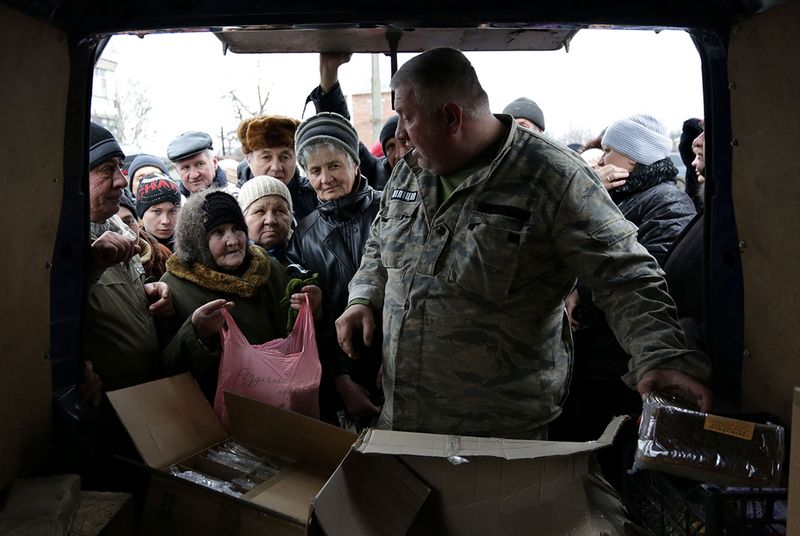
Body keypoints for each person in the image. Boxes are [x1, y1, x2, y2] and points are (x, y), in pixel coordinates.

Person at [335, 47, 712, 441]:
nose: (398, 134)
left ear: (450, 117)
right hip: (403, 415)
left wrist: (660, 355)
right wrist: (363, 297)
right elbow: (380, 245)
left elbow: (625, 275)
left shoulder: (553, 177)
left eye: (407, 118)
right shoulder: (410, 174)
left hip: (499, 434)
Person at [160, 189, 321, 402]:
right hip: (226, 412)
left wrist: (313, 310)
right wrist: (196, 332)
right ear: (197, 239)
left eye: (237, 229)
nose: (233, 241)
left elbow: (298, 339)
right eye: (218, 232)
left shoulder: (268, 268)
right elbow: (168, 368)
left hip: (287, 401)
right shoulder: (173, 287)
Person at [286, 112, 383, 428]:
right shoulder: (304, 235)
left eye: (334, 165)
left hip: (404, 368)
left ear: (356, 164)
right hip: (345, 377)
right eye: (315, 170)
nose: (325, 178)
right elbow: (314, 323)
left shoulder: (391, 212)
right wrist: (340, 380)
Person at [85, 122, 173, 394]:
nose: (122, 181)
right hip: (107, 404)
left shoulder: (119, 230)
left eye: (120, 167)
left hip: (143, 394)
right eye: (106, 169)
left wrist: (141, 293)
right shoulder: (53, 246)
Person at [593, 114, 696, 265]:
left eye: (607, 150)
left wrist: (592, 194)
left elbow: (651, 272)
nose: (601, 161)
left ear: (633, 155)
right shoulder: (625, 194)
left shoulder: (670, 203)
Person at [306, 53, 409, 189]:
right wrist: (329, 71)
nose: (400, 154)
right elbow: (341, 131)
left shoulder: (436, 171)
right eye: (390, 146)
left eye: (405, 143)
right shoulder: (376, 170)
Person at [236, 115, 318, 221]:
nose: (276, 167)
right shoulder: (234, 202)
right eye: (266, 157)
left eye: (285, 157)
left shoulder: (315, 196)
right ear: (249, 160)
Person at [238, 175, 295, 265]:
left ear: (291, 217)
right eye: (260, 211)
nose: (270, 221)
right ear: (242, 220)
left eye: (280, 211)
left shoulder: (306, 255)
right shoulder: (232, 262)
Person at [117, 188, 171, 280]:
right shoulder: (98, 268)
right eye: (112, 225)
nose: (124, 231)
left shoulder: (162, 253)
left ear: (138, 222)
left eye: (128, 221)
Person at [167, 131, 239, 199]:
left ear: (214, 163)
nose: (194, 175)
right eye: (186, 168)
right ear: (177, 171)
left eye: (200, 164)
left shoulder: (237, 199)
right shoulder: (175, 207)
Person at [135, 171, 181, 251]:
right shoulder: (133, 250)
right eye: (157, 211)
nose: (166, 221)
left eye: (172, 211)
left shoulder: (192, 246)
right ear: (141, 215)